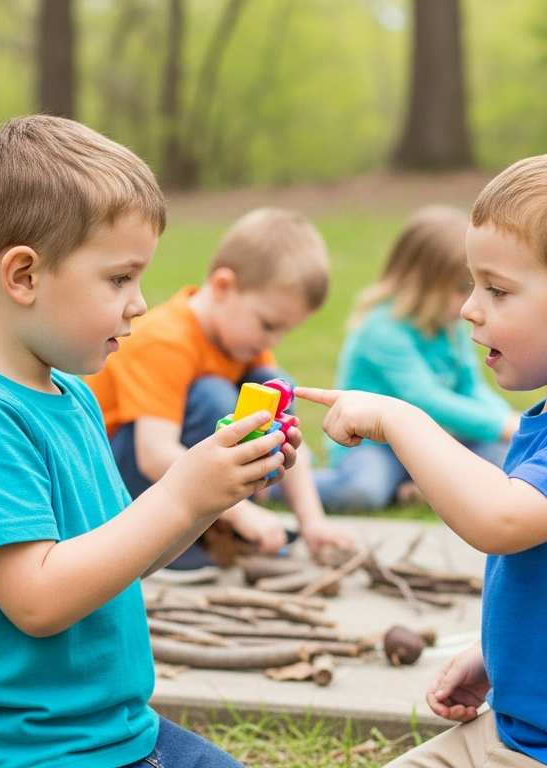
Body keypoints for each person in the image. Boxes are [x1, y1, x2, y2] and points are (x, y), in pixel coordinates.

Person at [0, 115, 296, 767]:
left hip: (110, 730)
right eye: (119, 280)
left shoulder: (72, 396)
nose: (140, 303)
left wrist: (215, 494)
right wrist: (179, 493)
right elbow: (40, 600)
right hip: (19, 751)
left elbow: (123, 558)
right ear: (23, 275)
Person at [299, 144, 547, 767]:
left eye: (497, 289)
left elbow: (500, 522)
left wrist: (399, 416)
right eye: (472, 284)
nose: (469, 307)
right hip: (529, 731)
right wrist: (502, 654)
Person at [86, 208, 354, 579]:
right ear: (224, 287)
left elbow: (286, 432)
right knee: (213, 397)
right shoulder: (166, 340)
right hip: (114, 482)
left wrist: (312, 522)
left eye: (283, 332)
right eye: (268, 325)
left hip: (178, 480)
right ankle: (167, 546)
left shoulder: (246, 348)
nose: (272, 341)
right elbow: (153, 454)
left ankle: (211, 530)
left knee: (272, 384)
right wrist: (242, 511)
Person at [308, 205, 519, 511]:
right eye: (463, 288)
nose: (471, 302)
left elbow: (469, 387)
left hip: (427, 442)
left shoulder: (451, 325)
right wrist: (502, 425)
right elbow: (427, 399)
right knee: (361, 491)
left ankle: (423, 488)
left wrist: (513, 426)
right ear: (421, 281)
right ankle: (273, 488)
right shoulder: (383, 330)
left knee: (506, 458)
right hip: (374, 447)